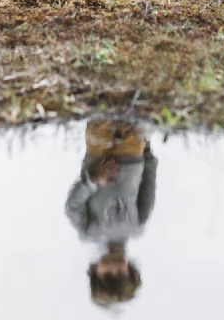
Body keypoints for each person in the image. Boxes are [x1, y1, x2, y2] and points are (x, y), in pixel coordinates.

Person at [65, 117, 158, 308]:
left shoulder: (88, 232)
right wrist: (148, 156)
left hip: (97, 158)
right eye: (120, 274)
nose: (114, 268)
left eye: (107, 274)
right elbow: (148, 188)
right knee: (134, 118)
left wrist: (93, 181)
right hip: (132, 156)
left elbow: (73, 206)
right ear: (130, 270)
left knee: (100, 122)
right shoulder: (136, 228)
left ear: (95, 270)